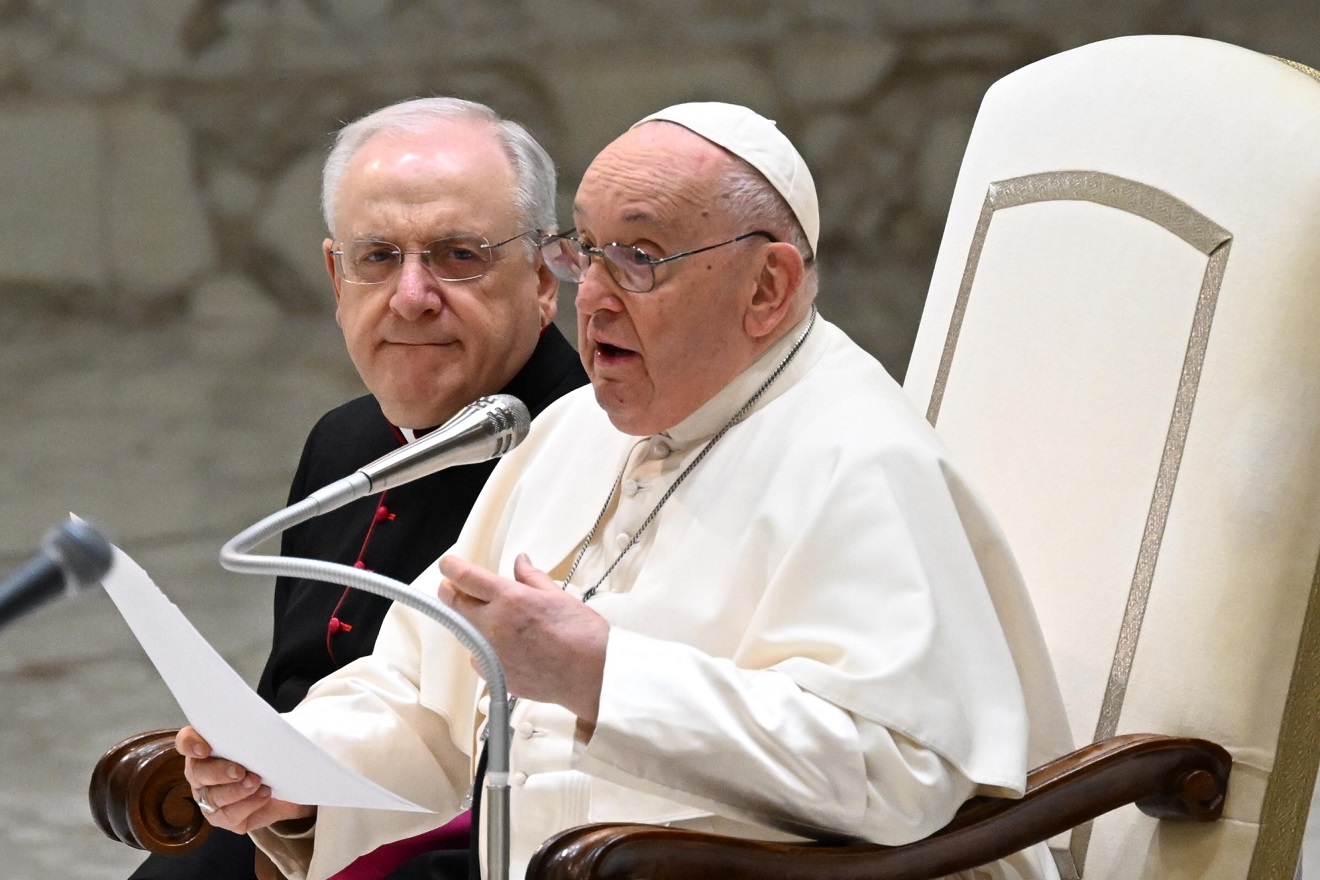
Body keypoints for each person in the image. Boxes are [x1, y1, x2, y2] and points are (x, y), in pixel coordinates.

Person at [179, 102, 1073, 880]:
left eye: (640, 258)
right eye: (588, 253)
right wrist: (293, 770)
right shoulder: (577, 430)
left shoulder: (860, 458)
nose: (595, 297)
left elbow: (901, 774)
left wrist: (603, 673)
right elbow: (423, 692)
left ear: (769, 287)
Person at [130, 97, 586, 880]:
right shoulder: (343, 440)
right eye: (378, 258)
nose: (411, 296)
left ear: (544, 278)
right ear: (336, 278)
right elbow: (287, 691)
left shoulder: (587, 455)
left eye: (457, 255)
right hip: (289, 830)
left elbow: (538, 782)